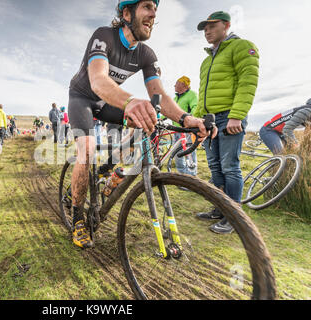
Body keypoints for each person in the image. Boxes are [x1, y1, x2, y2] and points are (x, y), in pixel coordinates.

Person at [67, 0, 212, 248]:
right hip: (82, 98)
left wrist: (186, 119)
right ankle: (78, 216)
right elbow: (98, 80)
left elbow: (161, 96)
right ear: (126, 13)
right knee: (88, 150)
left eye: (155, 9)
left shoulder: (146, 54)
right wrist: (131, 101)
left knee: (144, 122)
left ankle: (111, 171)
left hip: (106, 102)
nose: (154, 13)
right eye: (146, 6)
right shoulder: (104, 36)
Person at [193, 11, 260, 234]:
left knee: (230, 166)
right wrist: (198, 120)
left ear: (227, 25)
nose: (207, 31)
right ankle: (220, 208)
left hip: (229, 116)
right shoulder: (205, 61)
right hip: (210, 121)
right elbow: (203, 94)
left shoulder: (242, 47)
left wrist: (237, 115)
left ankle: (234, 217)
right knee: (215, 167)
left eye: (212, 26)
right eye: (205, 28)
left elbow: (247, 82)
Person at [173, 76, 198, 176]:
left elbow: (195, 108)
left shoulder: (192, 95)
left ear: (183, 85)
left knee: (189, 152)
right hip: (176, 129)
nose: (174, 85)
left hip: (186, 130)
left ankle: (191, 175)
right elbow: (172, 111)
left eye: (176, 83)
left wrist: (189, 120)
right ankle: (182, 175)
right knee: (177, 153)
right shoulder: (175, 98)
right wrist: (160, 118)